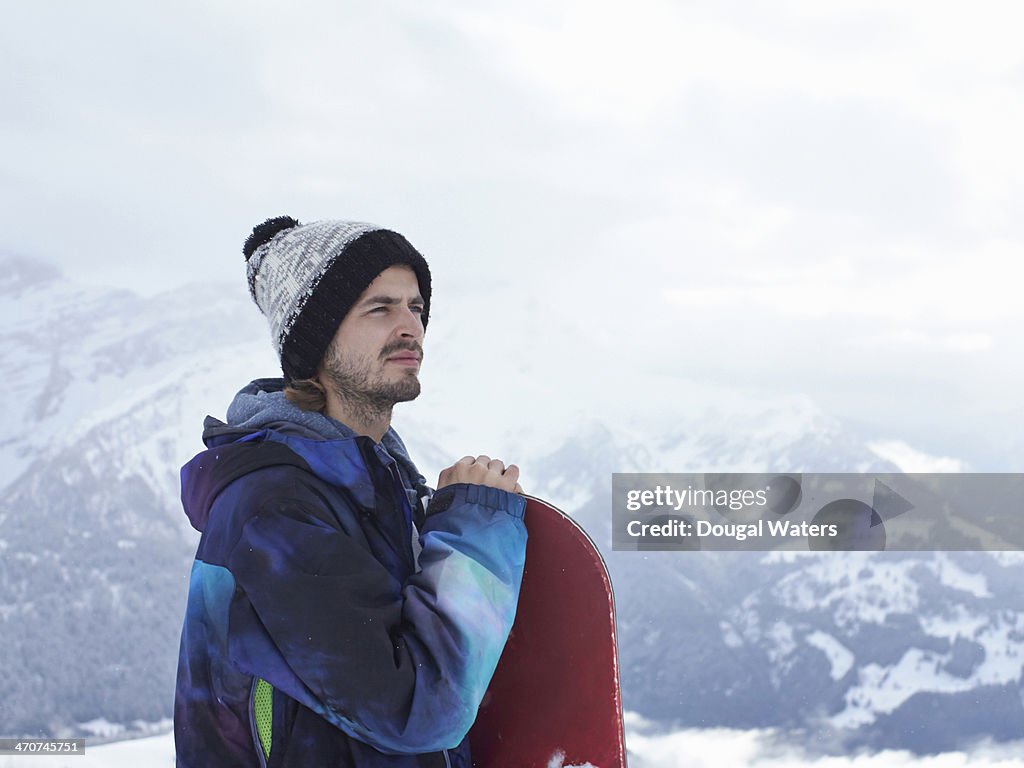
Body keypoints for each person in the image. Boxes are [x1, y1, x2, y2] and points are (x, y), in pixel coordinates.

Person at [174, 216, 528, 767]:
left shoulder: (377, 480)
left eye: (415, 307)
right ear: (316, 341)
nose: (411, 327)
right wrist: (473, 535)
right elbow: (413, 709)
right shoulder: (275, 507)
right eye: (380, 308)